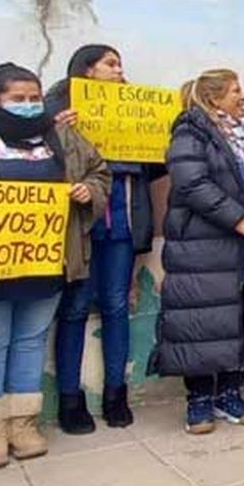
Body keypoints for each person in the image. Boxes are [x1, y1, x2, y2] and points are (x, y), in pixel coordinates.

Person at [0, 63, 109, 470]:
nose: (30, 106)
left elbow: (100, 173)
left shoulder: (62, 137)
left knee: (31, 340)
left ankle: (23, 424)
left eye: (34, 98)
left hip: (46, 261)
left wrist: (88, 192)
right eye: (18, 99)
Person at [150, 69, 244, 433]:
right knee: (202, 321)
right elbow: (191, 182)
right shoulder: (190, 129)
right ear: (213, 98)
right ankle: (198, 399)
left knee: (242, 317)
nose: (243, 96)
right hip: (206, 246)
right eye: (235, 90)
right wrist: (238, 219)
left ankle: (230, 391)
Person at [45, 45, 168, 433]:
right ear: (86, 69)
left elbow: (156, 165)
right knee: (76, 307)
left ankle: (117, 392)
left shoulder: (131, 107)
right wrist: (56, 128)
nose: (119, 71)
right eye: (110, 64)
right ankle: (70, 398)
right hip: (79, 222)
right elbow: (37, 157)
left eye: (120, 65)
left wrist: (153, 131)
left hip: (123, 220)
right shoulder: (55, 107)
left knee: (117, 305)